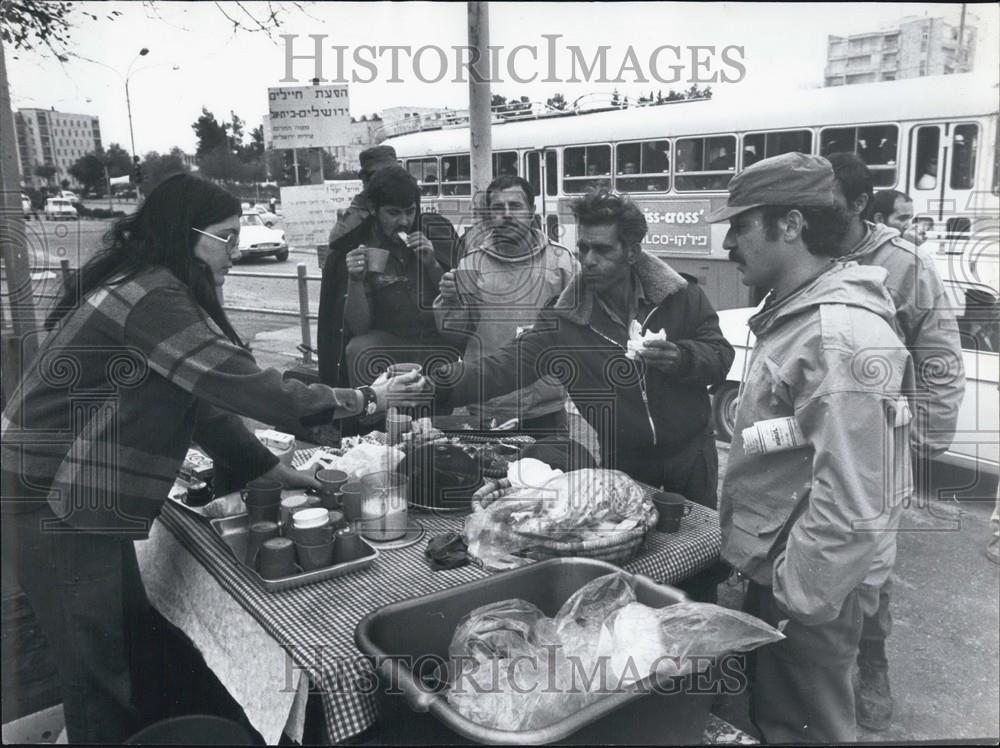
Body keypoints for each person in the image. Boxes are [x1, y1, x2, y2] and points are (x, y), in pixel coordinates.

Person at [0, 174, 429, 744]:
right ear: (186, 235)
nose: (235, 249)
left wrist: (266, 468)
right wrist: (369, 398)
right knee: (95, 676)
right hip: (50, 497)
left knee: (122, 644)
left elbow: (198, 402)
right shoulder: (156, 297)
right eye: (226, 237)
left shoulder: (151, 286)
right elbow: (250, 388)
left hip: (76, 498)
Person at [709, 152, 913, 743]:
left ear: (791, 225)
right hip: (785, 568)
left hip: (809, 587)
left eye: (740, 225)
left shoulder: (836, 335)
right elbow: (801, 442)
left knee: (804, 730)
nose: (727, 242)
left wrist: (797, 599)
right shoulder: (801, 317)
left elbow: (854, 501)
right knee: (777, 717)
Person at [430, 189, 734, 508]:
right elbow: (503, 366)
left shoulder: (679, 297)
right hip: (624, 460)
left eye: (602, 250)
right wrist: (434, 385)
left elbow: (720, 357)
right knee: (628, 540)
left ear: (632, 252)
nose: (588, 261)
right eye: (584, 248)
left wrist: (681, 358)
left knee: (702, 542)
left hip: (691, 455)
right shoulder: (564, 321)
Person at [828, 151, 965, 733]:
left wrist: (925, 442)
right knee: (810, 554)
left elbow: (938, 355)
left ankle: (872, 663)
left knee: (869, 570)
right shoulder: (807, 249)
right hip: (815, 441)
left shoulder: (903, 263)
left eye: (828, 204)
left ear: (860, 205)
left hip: (881, 445)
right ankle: (811, 664)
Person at [433, 175, 578, 432]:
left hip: (546, 406)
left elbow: (580, 328)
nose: (507, 215)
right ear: (489, 215)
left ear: (532, 210)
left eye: (515, 206)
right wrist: (450, 301)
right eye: (498, 208)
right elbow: (454, 335)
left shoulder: (561, 262)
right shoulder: (471, 264)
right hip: (487, 406)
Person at [317, 166, 459, 396]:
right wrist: (354, 280)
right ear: (374, 209)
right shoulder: (360, 244)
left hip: (435, 336)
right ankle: (370, 418)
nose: (404, 221)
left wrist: (432, 264)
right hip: (390, 339)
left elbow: (457, 306)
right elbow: (360, 327)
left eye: (410, 211)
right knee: (359, 349)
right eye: (393, 213)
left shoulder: (435, 232)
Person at [328, 145, 399, 246]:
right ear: (365, 179)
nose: (391, 182)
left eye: (394, 175)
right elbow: (334, 259)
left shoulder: (405, 210)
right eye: (382, 176)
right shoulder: (350, 224)